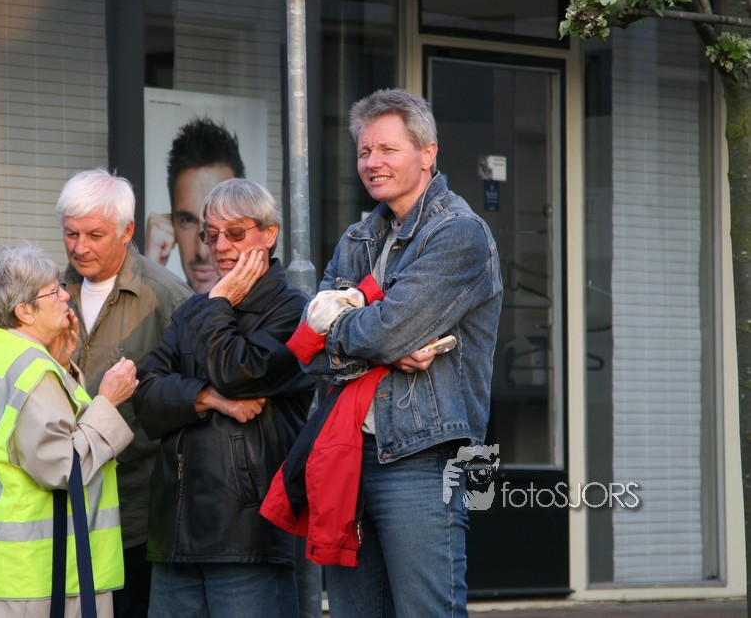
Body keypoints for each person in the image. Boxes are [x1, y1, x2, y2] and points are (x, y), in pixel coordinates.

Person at [295, 88, 503, 618]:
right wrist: (382, 345)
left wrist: (357, 331)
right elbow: (308, 347)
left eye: (387, 149)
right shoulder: (358, 238)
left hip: (422, 458)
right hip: (348, 453)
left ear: (428, 153)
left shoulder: (459, 234)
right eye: (364, 151)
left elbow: (387, 330)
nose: (372, 162)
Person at [133, 178, 317, 618]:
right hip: (176, 531)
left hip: (247, 535)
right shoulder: (194, 310)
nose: (219, 247)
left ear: (269, 234)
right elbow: (146, 396)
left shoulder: (297, 311)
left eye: (234, 233)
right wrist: (208, 398)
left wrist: (218, 304)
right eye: (211, 234)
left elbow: (238, 374)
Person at [0, 243, 139, 618]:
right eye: (54, 290)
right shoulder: (31, 373)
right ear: (24, 311)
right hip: (25, 579)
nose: (66, 296)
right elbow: (64, 467)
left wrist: (58, 365)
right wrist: (108, 402)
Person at [56, 168, 193, 618]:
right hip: (65, 503)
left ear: (127, 230)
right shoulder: (50, 294)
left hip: (136, 512)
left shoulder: (167, 297)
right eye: (71, 233)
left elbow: (187, 399)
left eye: (94, 235)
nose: (80, 247)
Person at [143, 117, 246, 294]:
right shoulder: (163, 303)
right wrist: (149, 275)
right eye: (187, 220)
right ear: (172, 221)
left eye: (218, 221)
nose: (202, 251)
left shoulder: (275, 308)